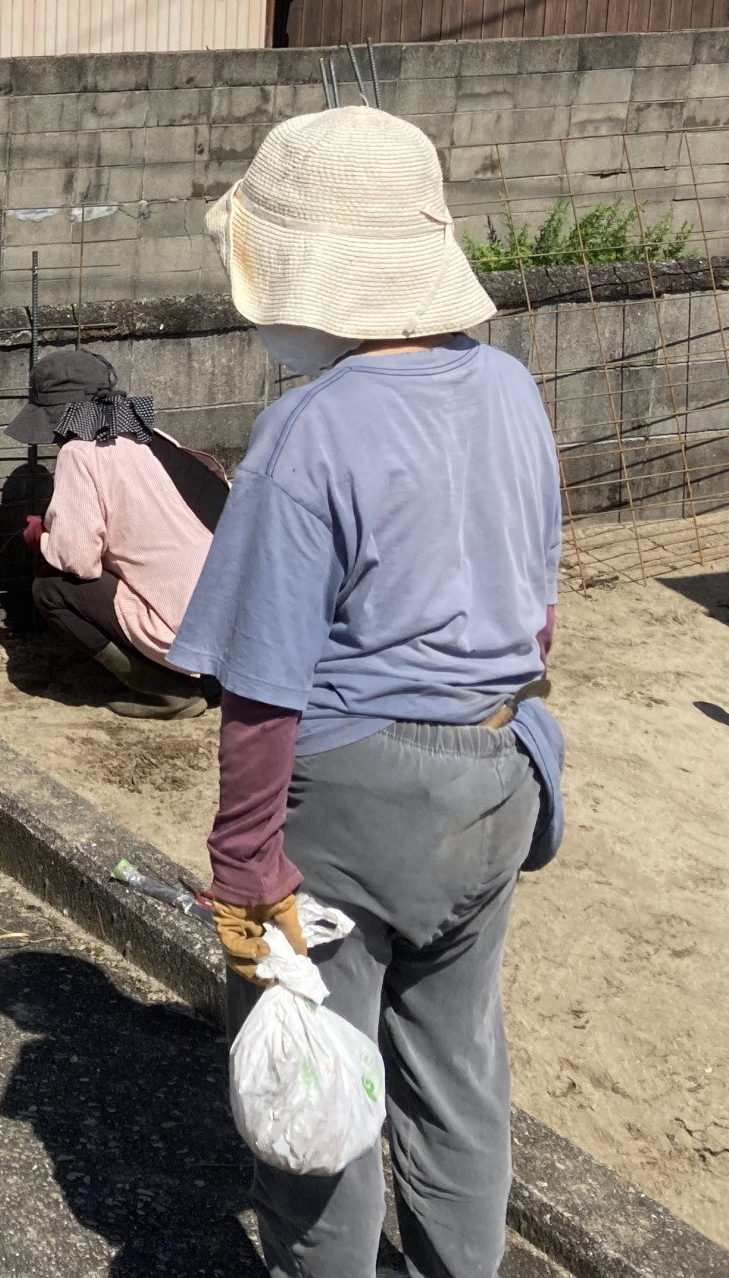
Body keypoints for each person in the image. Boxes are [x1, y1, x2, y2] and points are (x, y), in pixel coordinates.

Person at [169, 107, 564, 1278]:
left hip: (352, 796)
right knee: (456, 1073)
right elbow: (538, 607)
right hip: (500, 769)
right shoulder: (510, 390)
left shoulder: (307, 429)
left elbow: (261, 684)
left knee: (314, 1084)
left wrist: (244, 865)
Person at [9, 348, 228, 721]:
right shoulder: (149, 435)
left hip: (194, 634)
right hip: (246, 626)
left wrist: (40, 537)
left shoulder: (79, 453)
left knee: (51, 588)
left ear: (58, 416)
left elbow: (78, 560)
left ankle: (171, 690)